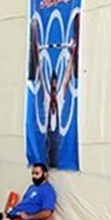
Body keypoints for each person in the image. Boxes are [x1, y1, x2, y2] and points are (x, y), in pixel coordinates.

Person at [33, 18, 76, 168]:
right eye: (52, 83)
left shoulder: (59, 95)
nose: (53, 85)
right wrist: (37, 54)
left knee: (55, 153)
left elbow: (66, 77)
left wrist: (72, 56)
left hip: (57, 136)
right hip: (48, 135)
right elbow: (41, 75)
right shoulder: (47, 95)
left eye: (54, 83)